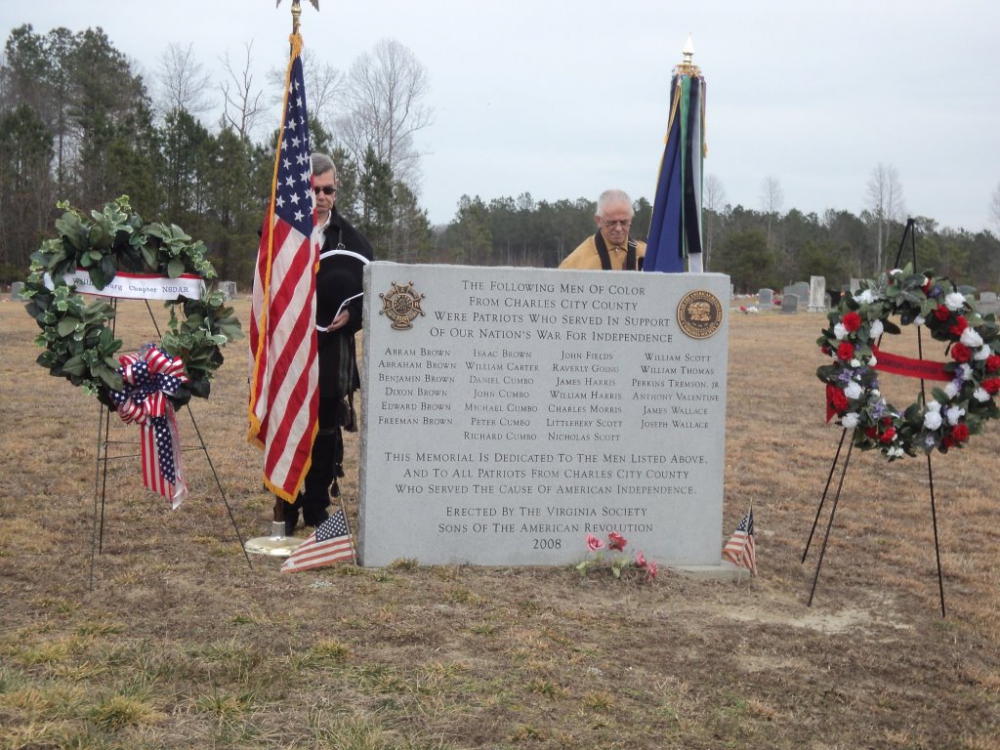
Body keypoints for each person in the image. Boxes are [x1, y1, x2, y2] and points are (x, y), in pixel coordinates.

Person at [283, 153, 373, 535]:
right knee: (288, 421)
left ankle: (317, 502)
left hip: (331, 347)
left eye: (328, 189)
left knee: (324, 425)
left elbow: (372, 293)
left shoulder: (353, 240)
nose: (320, 196)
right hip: (288, 346)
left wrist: (353, 313)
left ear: (336, 191)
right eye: (313, 189)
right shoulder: (281, 232)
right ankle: (285, 503)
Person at [558, 189, 646, 271]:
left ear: (631, 219)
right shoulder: (575, 264)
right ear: (598, 220)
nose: (618, 228)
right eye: (612, 222)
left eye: (624, 222)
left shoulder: (648, 255)